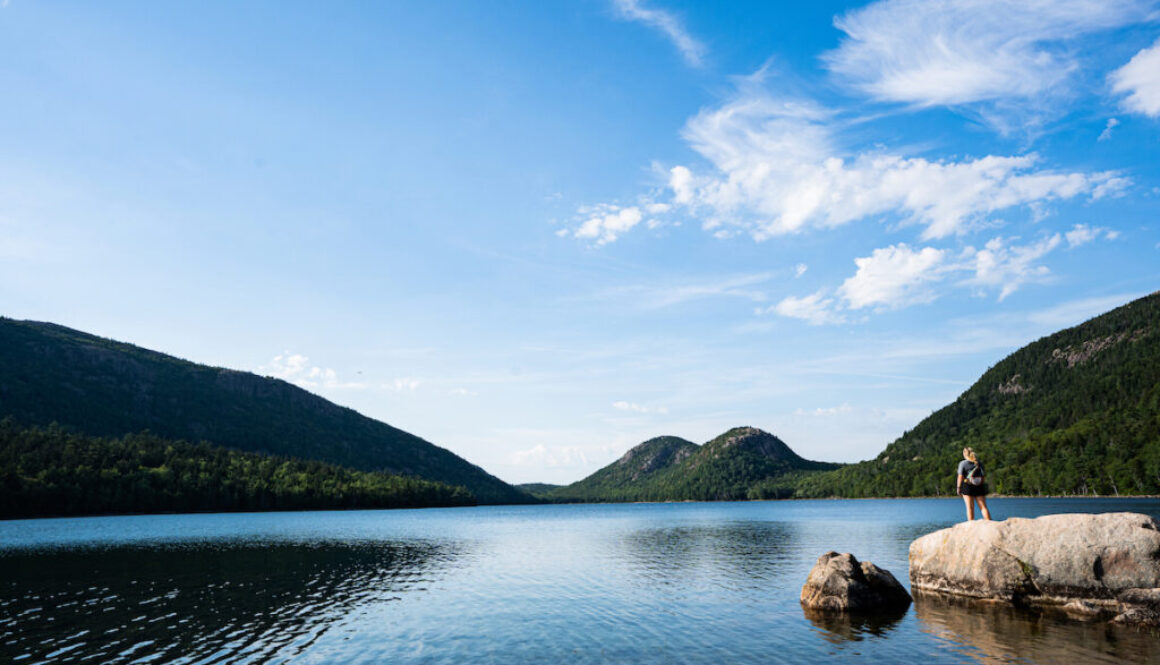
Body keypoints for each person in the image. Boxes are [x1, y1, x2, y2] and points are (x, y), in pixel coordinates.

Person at [957, 447, 992, 521]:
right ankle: (989, 522)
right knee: (983, 507)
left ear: (964, 454)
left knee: (970, 507)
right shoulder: (979, 463)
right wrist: (981, 485)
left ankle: (971, 524)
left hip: (967, 486)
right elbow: (983, 476)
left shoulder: (963, 463)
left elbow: (960, 477)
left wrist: (959, 488)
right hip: (979, 486)